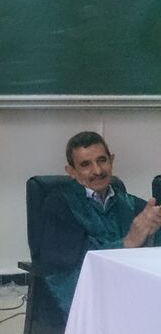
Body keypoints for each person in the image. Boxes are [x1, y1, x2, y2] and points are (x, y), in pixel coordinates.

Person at [39, 130, 161, 321]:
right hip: (81, 291)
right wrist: (127, 242)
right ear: (71, 172)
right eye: (85, 164)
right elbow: (76, 262)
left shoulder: (131, 204)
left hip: (129, 284)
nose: (97, 171)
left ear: (112, 161)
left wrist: (152, 233)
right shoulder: (60, 206)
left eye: (102, 160)